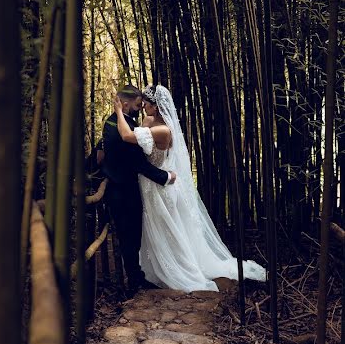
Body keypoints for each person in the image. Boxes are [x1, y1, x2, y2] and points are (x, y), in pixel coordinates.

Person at [113, 84, 267, 292]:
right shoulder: (150, 121)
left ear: (156, 107)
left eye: (146, 105)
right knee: (155, 230)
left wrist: (118, 111)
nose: (143, 108)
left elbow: (127, 136)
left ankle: (179, 270)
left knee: (168, 232)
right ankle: (156, 270)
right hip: (151, 184)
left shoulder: (163, 130)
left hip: (160, 188)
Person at [101, 85, 176, 295]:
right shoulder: (119, 124)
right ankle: (134, 282)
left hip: (127, 187)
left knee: (134, 235)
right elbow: (137, 163)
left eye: (144, 104)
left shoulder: (117, 121)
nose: (141, 107)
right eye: (137, 104)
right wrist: (165, 177)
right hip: (123, 190)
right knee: (130, 236)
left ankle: (136, 278)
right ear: (124, 104)